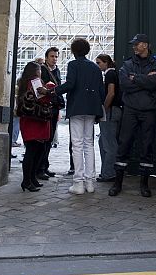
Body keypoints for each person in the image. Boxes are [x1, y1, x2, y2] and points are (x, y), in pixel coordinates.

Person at [109, 34, 156, 198]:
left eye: (137, 44)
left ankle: (144, 185)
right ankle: (117, 183)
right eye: (133, 44)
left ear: (146, 45)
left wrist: (137, 79)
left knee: (147, 146)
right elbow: (125, 85)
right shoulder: (127, 64)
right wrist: (145, 81)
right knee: (124, 143)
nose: (134, 46)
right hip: (130, 110)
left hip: (149, 110)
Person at [47, 38, 106, 194]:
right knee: (89, 144)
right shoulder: (94, 67)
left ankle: (78, 183)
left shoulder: (73, 64)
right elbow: (101, 90)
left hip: (77, 107)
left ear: (73, 51)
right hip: (92, 108)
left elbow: (71, 84)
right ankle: (90, 182)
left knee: (77, 145)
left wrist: (53, 91)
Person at [16, 61, 52, 192]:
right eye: (40, 70)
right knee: (34, 151)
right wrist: (49, 91)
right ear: (36, 72)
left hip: (28, 119)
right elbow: (42, 99)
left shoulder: (23, 82)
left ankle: (31, 179)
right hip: (36, 120)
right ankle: (27, 180)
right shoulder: (36, 81)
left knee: (33, 150)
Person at [37, 47, 64, 179]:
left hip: (54, 107)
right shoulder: (41, 70)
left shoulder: (57, 70)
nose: (54, 59)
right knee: (43, 138)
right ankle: (39, 168)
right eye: (52, 56)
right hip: (44, 107)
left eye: (56, 56)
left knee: (50, 138)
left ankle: (44, 166)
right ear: (47, 57)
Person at [95, 54, 122, 183]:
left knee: (108, 143)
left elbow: (111, 93)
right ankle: (107, 171)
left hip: (110, 111)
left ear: (106, 62)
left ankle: (109, 173)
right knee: (105, 141)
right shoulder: (113, 73)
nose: (98, 65)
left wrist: (104, 109)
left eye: (99, 62)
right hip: (114, 110)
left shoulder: (110, 74)